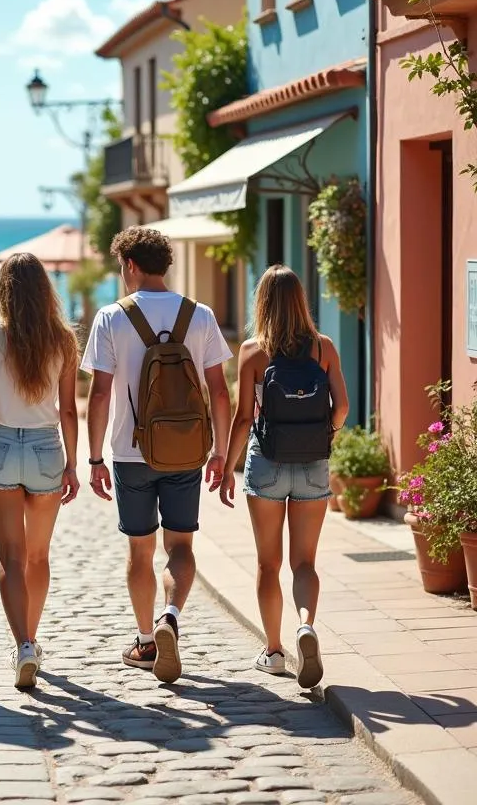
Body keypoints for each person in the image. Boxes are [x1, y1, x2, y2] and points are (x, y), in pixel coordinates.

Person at [82, 226, 232, 684]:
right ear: (165, 265)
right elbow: (220, 393)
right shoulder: (200, 316)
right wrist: (221, 453)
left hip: (131, 454)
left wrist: (94, 458)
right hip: (187, 452)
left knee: (140, 551)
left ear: (129, 265)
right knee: (180, 546)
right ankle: (171, 615)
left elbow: (100, 393)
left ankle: (146, 640)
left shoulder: (111, 317)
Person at [219, 264, 349, 689]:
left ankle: (273, 651)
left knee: (267, 563)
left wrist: (225, 467)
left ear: (263, 303)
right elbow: (343, 407)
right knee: (305, 562)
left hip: (268, 463)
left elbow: (243, 418)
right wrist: (324, 435)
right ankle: (306, 626)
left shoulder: (254, 351)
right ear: (300, 301)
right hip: (313, 464)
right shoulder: (323, 348)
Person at [0, 252, 80, 689]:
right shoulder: (63, 340)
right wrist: (73, 463)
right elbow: (68, 410)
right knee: (38, 555)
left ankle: (24, 644)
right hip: (48, 447)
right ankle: (31, 638)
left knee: (11, 557)